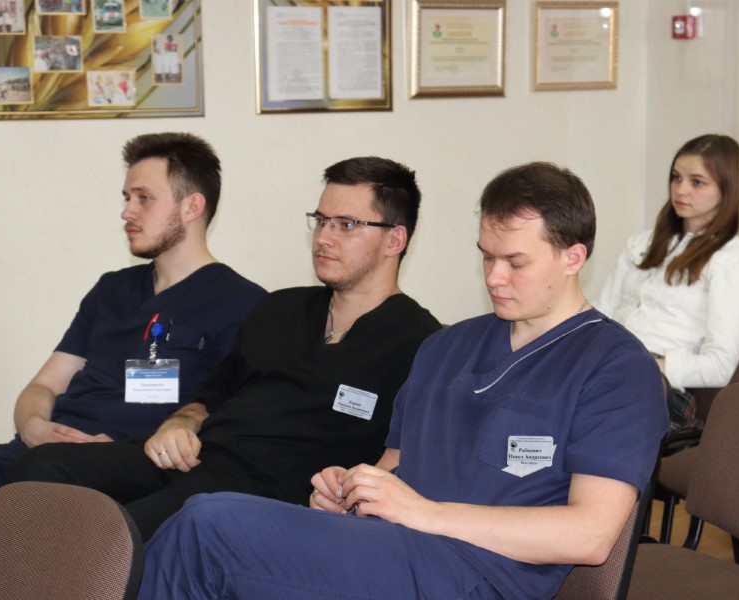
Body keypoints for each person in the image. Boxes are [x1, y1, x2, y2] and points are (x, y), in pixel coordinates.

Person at [135, 162, 668, 600]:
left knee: (208, 528)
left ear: (573, 257)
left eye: (516, 262)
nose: (494, 277)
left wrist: (425, 514)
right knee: (202, 520)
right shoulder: (446, 347)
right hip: (391, 546)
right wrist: (351, 490)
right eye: (486, 257)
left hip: (478, 573)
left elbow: (591, 535)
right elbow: (393, 466)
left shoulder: (615, 367)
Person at [8, 156, 442, 541]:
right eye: (321, 220)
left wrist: (343, 496)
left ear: (394, 240)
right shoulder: (280, 309)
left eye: (346, 225)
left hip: (263, 492)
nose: (324, 238)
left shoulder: (421, 344)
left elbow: (404, 459)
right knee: (42, 469)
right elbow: (211, 397)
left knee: (115, 536)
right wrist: (179, 424)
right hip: (196, 458)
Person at [0, 133, 265, 491]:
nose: (127, 212)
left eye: (143, 198)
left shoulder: (244, 303)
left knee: (43, 471)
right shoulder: (111, 289)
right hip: (46, 451)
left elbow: (237, 412)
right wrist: (34, 427)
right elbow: (43, 385)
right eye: (127, 198)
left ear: (192, 207)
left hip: (137, 460)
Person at [595, 134, 739, 430]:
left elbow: (720, 366)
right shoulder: (642, 243)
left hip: (663, 386)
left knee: (584, 411)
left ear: (726, 189)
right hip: (610, 364)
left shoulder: (734, 262)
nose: (681, 189)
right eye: (676, 177)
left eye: (697, 182)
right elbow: (602, 313)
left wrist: (646, 366)